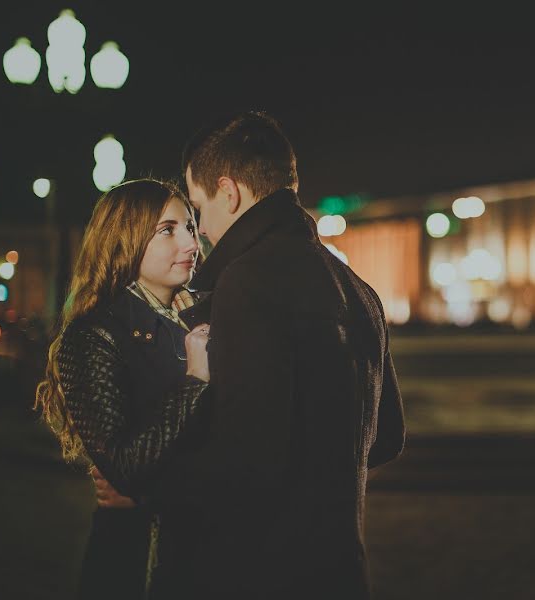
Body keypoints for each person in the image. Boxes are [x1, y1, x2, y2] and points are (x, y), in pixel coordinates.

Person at [145, 110, 406, 598]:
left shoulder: (247, 282)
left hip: (259, 572)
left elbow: (244, 459)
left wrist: (157, 481)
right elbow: (388, 436)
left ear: (229, 192)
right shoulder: (357, 288)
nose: (199, 230)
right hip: (340, 570)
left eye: (198, 209)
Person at [35, 179, 211, 600]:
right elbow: (123, 465)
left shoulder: (205, 314)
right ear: (124, 239)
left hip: (207, 551)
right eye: (167, 230)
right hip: (138, 561)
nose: (189, 241)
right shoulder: (94, 335)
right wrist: (195, 381)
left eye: (189, 226)